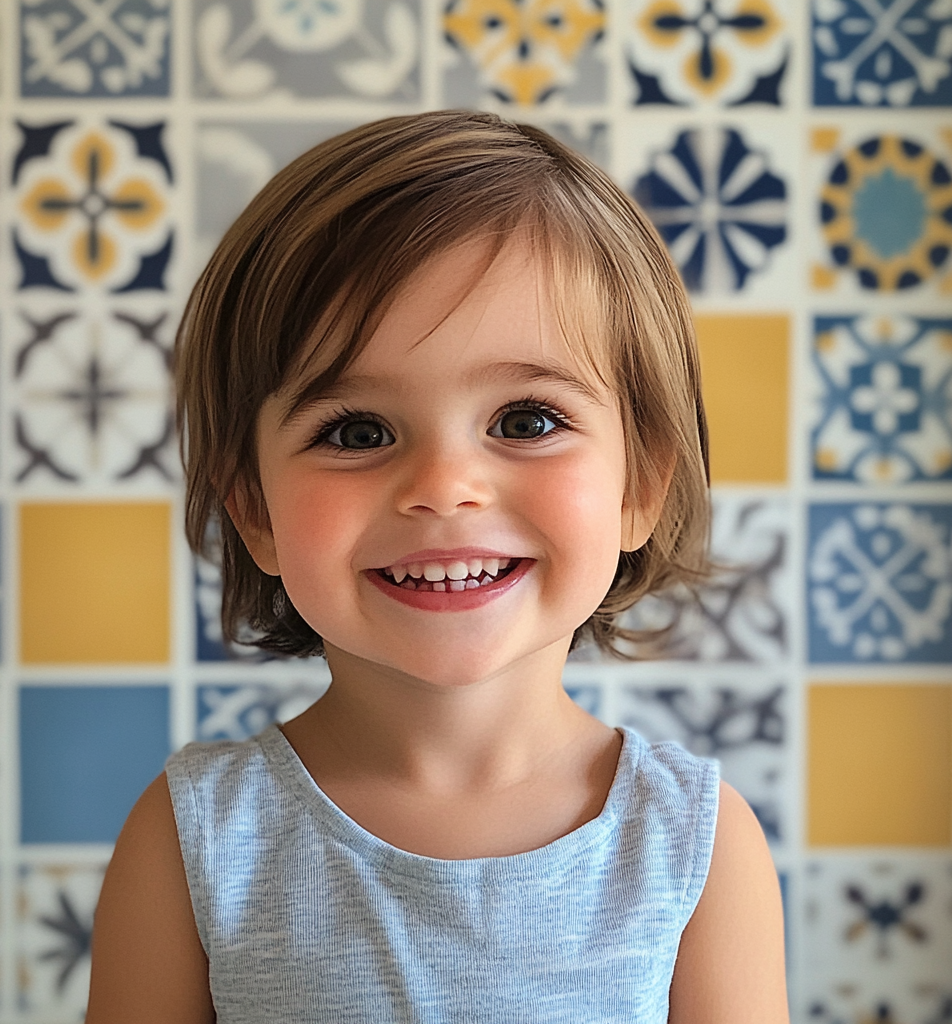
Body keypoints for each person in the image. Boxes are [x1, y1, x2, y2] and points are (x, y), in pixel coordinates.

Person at [85, 111, 789, 1024]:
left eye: (526, 420)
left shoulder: (695, 845)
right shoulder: (195, 842)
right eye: (357, 432)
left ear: (641, 485)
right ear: (253, 511)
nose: (444, 488)